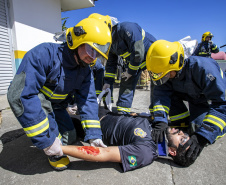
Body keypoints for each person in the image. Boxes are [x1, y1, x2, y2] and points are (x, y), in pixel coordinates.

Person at [7, 17, 112, 171]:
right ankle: (50, 148)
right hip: (39, 102)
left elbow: (88, 100)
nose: (92, 58)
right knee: (54, 142)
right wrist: (46, 141)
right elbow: (20, 96)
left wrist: (94, 134)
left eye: (97, 53)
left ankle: (54, 134)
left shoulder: (85, 70)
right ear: (76, 41)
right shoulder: (44, 55)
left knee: (70, 137)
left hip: (58, 107)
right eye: (91, 50)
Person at [145, 39, 226, 166]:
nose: (162, 77)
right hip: (192, 97)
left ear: (177, 63)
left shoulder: (204, 68)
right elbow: (161, 96)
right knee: (188, 129)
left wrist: (202, 138)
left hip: (208, 100)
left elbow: (222, 104)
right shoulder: (167, 72)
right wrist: (160, 121)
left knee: (201, 130)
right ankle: (181, 123)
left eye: (165, 74)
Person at [61, 113, 192, 172]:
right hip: (99, 112)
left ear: (172, 151)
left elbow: (102, 153)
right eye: (184, 134)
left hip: (88, 127)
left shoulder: (146, 152)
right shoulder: (161, 128)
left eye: (182, 139)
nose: (181, 132)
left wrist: (61, 149)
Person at [89, 13, 157, 114]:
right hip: (135, 61)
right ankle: (123, 112)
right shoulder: (109, 43)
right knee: (126, 80)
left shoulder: (127, 28)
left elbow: (138, 51)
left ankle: (157, 114)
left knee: (158, 84)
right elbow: (111, 63)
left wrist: (130, 71)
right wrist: (108, 82)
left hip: (152, 56)